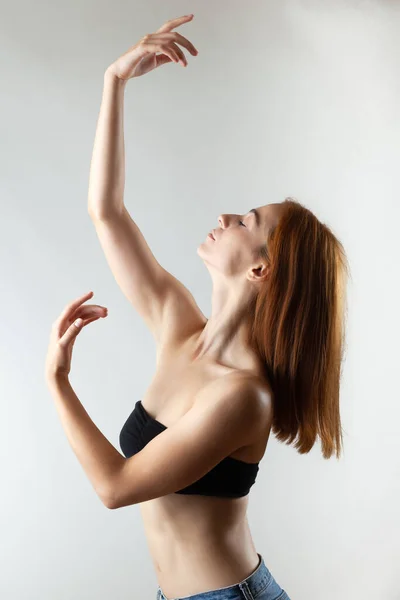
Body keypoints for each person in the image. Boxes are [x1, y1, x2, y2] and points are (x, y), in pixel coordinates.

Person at [83, 13, 348, 600]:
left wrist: (55, 380)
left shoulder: (243, 396)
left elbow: (115, 485)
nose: (227, 217)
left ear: (260, 269)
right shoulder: (179, 324)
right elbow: (107, 211)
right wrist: (115, 81)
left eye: (246, 222)